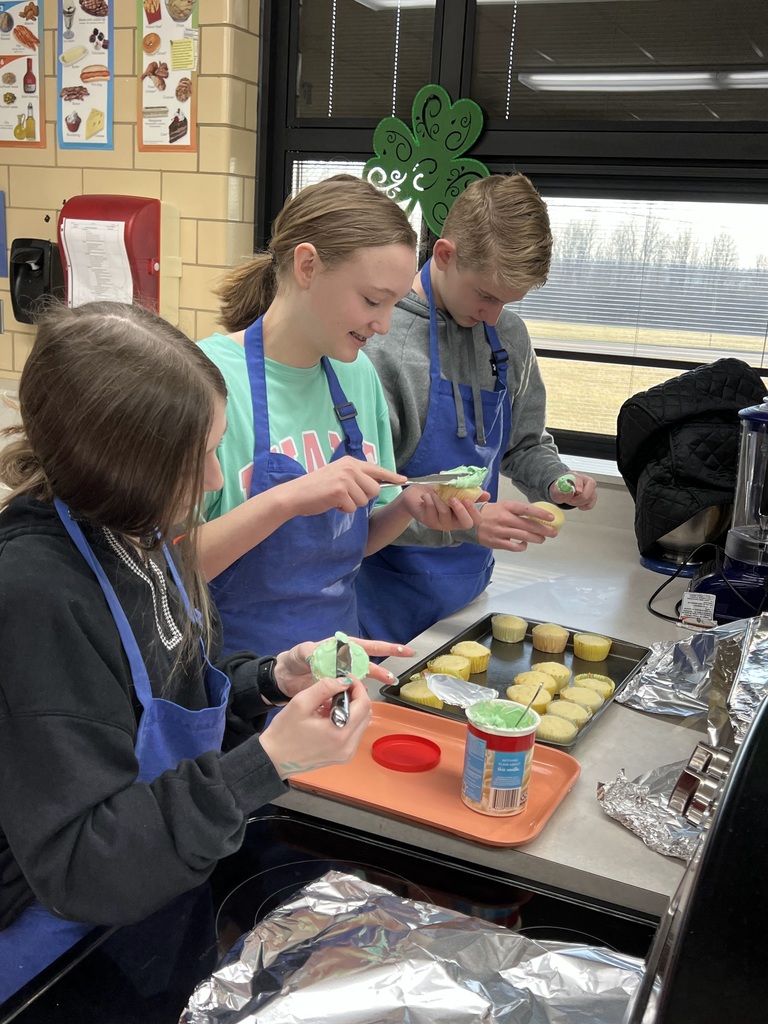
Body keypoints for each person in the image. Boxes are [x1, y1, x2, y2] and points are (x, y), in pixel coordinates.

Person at [0, 300, 411, 1002]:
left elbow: (174, 687)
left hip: (160, 895)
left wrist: (271, 679)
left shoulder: (138, 535)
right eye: (197, 461)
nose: (217, 481)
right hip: (63, 950)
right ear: (121, 466)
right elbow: (82, 862)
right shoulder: (38, 597)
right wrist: (268, 761)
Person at [197, 174, 487, 656]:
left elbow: (346, 545)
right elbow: (167, 569)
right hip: (232, 676)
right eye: (372, 300)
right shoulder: (204, 381)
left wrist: (404, 509)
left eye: (394, 304)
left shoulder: (358, 377)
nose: (384, 324)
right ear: (307, 265)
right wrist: (287, 499)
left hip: (336, 664)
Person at [356, 173, 598, 643]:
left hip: (468, 594)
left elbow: (523, 444)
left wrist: (554, 479)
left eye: (508, 301)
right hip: (380, 596)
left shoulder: (508, 336)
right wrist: (469, 525)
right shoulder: (382, 343)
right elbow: (371, 502)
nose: (493, 315)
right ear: (444, 255)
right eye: (486, 295)